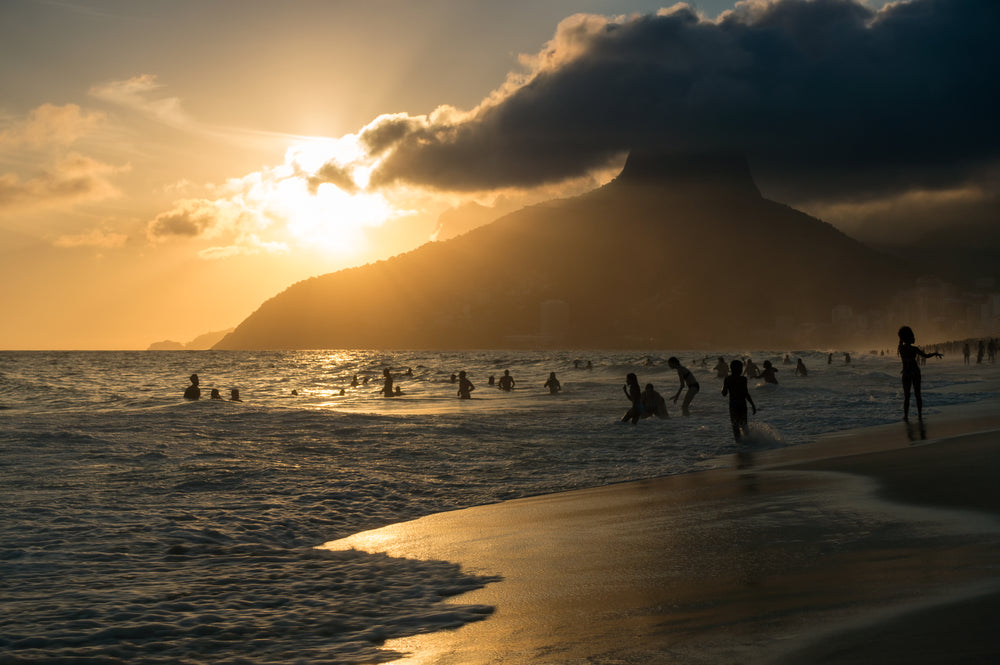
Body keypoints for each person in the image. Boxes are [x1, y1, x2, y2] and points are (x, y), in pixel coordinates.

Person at [897, 325, 942, 420]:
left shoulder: (901, 349)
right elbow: (925, 356)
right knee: (918, 394)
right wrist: (935, 353)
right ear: (910, 337)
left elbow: (900, 341)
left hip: (906, 373)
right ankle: (919, 415)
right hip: (915, 372)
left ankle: (906, 416)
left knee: (907, 396)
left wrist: (901, 338)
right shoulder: (914, 349)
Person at [722, 359, 756, 441]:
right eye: (740, 368)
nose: (741, 370)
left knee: (735, 426)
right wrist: (752, 405)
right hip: (742, 404)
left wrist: (724, 387)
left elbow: (724, 394)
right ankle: (748, 442)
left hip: (733, 404)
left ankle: (739, 444)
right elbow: (746, 394)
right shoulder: (743, 379)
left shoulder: (728, 379)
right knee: (744, 424)